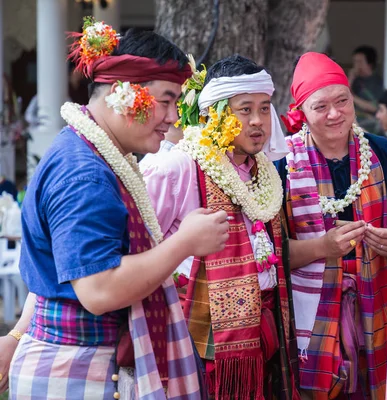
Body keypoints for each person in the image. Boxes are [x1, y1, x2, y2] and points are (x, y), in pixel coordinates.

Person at [0, 21, 229, 399]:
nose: (174, 117)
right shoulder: (83, 173)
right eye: (166, 100)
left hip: (84, 362)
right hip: (76, 369)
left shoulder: (97, 154)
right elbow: (99, 289)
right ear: (123, 93)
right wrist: (185, 243)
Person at [142, 54, 299, 399]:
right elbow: (137, 250)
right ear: (215, 114)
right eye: (245, 110)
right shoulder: (177, 167)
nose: (258, 121)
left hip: (265, 323)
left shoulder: (266, 171)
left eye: (264, 108)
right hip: (199, 334)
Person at [279, 52, 387, 399]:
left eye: (342, 101)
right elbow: (267, 254)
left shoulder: (383, 154)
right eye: (321, 106)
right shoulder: (282, 164)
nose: (335, 114)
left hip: (375, 307)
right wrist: (322, 248)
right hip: (309, 319)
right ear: (300, 112)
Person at [349, 46, 384, 134]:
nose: (356, 65)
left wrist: (352, 97)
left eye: (360, 62)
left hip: (370, 126)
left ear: (370, 64)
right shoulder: (355, 80)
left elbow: (374, 107)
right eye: (355, 62)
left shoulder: (376, 82)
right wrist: (350, 79)